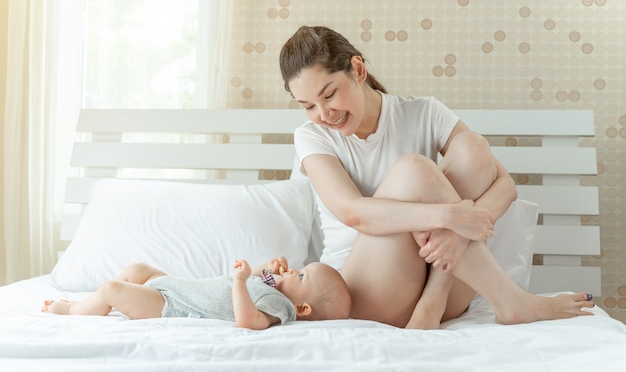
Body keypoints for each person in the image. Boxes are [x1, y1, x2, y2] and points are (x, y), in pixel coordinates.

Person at [279, 25, 595, 329]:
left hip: (445, 290)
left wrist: (457, 232)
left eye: (329, 95)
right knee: (414, 170)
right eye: (308, 106)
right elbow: (352, 212)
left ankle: (436, 299)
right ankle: (511, 300)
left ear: (358, 70)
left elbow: (505, 186)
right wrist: (449, 215)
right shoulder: (312, 137)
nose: (323, 114)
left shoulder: (423, 112)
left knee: (472, 148)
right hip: (369, 292)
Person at [41, 257, 351, 330]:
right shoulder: (273, 287)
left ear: (303, 308)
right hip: (176, 286)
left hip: (173, 304)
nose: (290, 271)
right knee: (136, 270)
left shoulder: (280, 307)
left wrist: (241, 281)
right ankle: (89, 303)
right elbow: (262, 279)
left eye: (299, 275)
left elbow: (248, 320)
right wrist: (264, 268)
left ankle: (71, 310)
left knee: (112, 290)